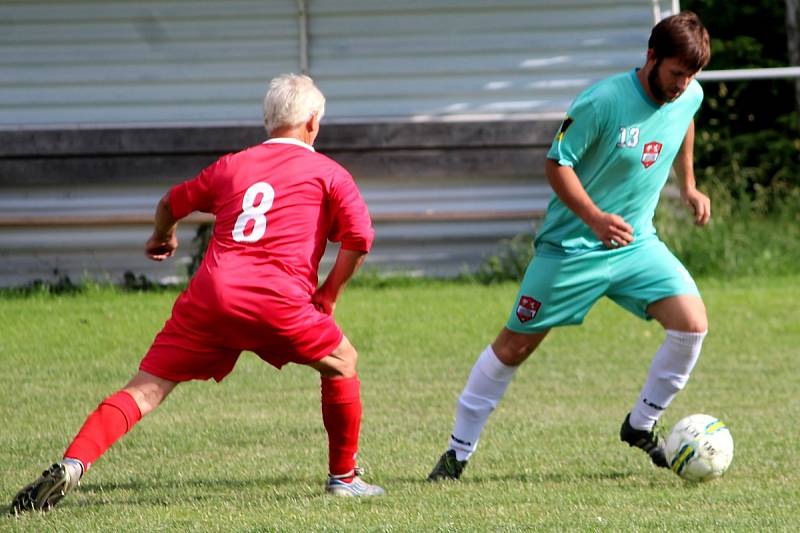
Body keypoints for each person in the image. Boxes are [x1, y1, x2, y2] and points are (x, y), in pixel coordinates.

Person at [11, 73, 384, 514]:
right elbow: (359, 238)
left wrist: (162, 235)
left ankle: (74, 462)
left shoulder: (233, 165)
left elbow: (172, 201)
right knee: (343, 362)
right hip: (278, 299)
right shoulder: (329, 173)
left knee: (146, 389)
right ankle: (344, 478)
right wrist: (330, 294)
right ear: (313, 122)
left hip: (212, 295)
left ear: (268, 122)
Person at [428, 11, 712, 481]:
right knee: (514, 347)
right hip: (572, 247)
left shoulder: (690, 94)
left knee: (692, 326)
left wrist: (689, 185)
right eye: (676, 73)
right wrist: (595, 218)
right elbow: (557, 164)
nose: (683, 85)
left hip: (636, 244)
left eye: (690, 75)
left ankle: (640, 424)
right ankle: (457, 452)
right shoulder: (602, 102)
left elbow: (685, 121)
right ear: (651, 57)